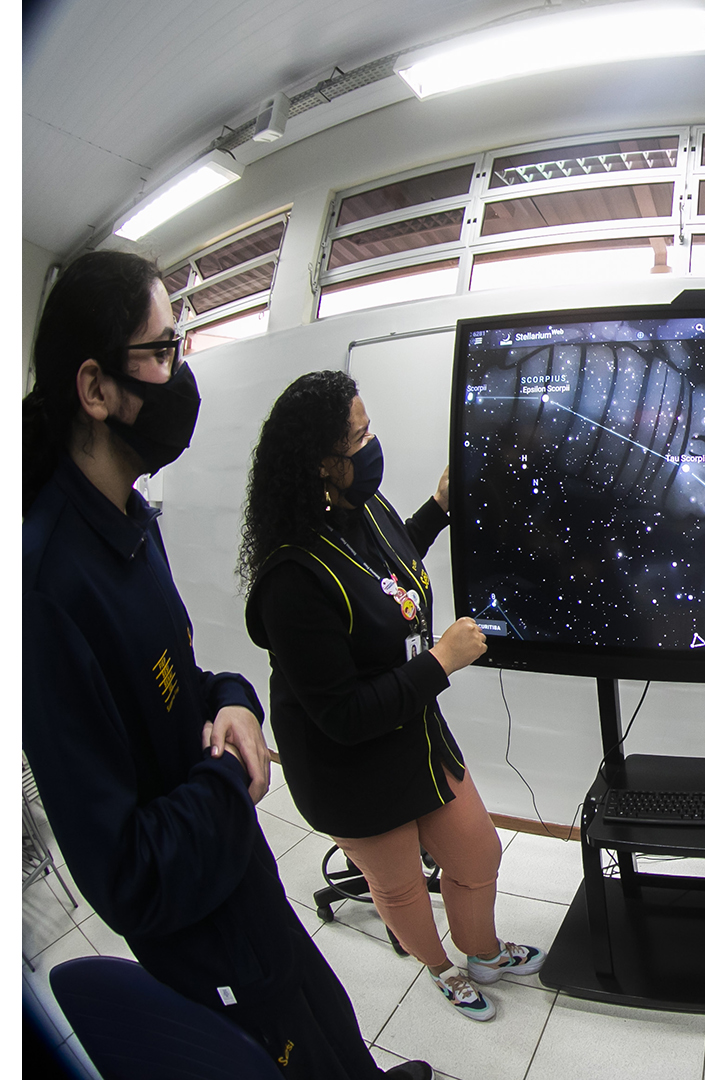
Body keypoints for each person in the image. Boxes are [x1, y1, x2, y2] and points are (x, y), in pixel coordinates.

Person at [23, 251, 430, 1080]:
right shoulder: (44, 590)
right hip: (196, 920)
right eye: (163, 349)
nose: (181, 372)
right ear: (96, 388)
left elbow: (178, 681)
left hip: (235, 866)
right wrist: (225, 775)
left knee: (322, 1005)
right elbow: (127, 875)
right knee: (286, 1048)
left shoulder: (129, 521)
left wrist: (236, 699)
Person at [240, 370, 546, 1023]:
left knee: (478, 853)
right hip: (349, 766)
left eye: (368, 427)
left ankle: (483, 952)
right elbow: (343, 716)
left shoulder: (364, 508)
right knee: (401, 884)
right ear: (322, 464)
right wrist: (441, 662)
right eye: (358, 438)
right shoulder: (291, 581)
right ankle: (441, 970)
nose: (372, 444)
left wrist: (437, 508)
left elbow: (387, 579)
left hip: (412, 728)